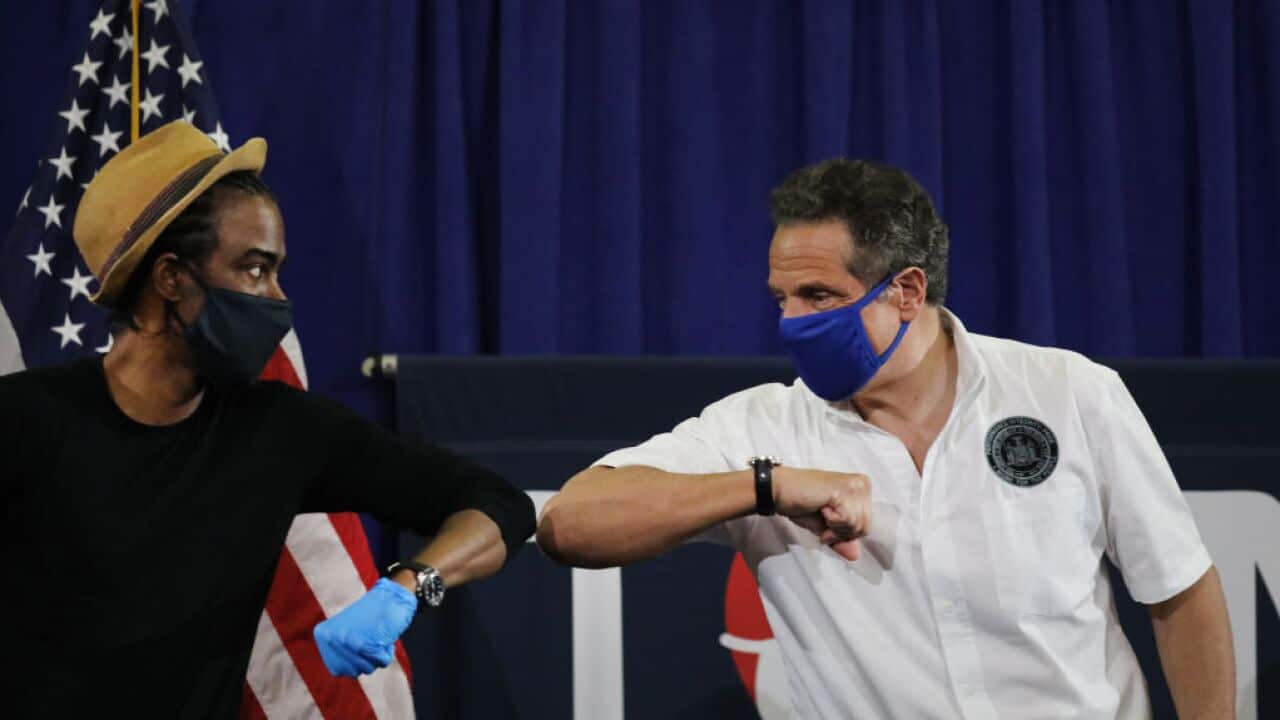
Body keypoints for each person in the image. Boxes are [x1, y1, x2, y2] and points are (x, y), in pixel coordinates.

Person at [537, 158, 1235, 718]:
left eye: (819, 297)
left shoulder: (1070, 392)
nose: (791, 323)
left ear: (906, 290)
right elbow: (570, 525)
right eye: (782, 299)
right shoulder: (762, 426)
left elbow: (1178, 588)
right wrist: (766, 487)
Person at [0, 121, 535, 717]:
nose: (278, 298)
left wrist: (409, 586)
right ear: (171, 277)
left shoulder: (282, 431)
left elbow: (499, 505)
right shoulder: (26, 423)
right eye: (255, 270)